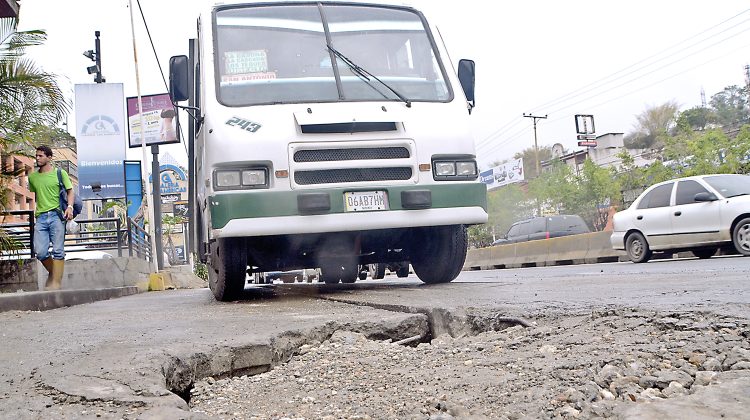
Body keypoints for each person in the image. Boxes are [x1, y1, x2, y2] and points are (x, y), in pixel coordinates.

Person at [28, 145, 74, 290]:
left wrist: (70, 207)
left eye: (41, 156)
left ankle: (56, 283)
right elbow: (36, 195)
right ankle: (55, 274)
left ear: (49, 157)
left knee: (58, 251)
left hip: (57, 216)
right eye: (36, 155)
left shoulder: (60, 173)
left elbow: (70, 191)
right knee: (40, 251)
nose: (37, 158)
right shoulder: (33, 177)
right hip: (41, 217)